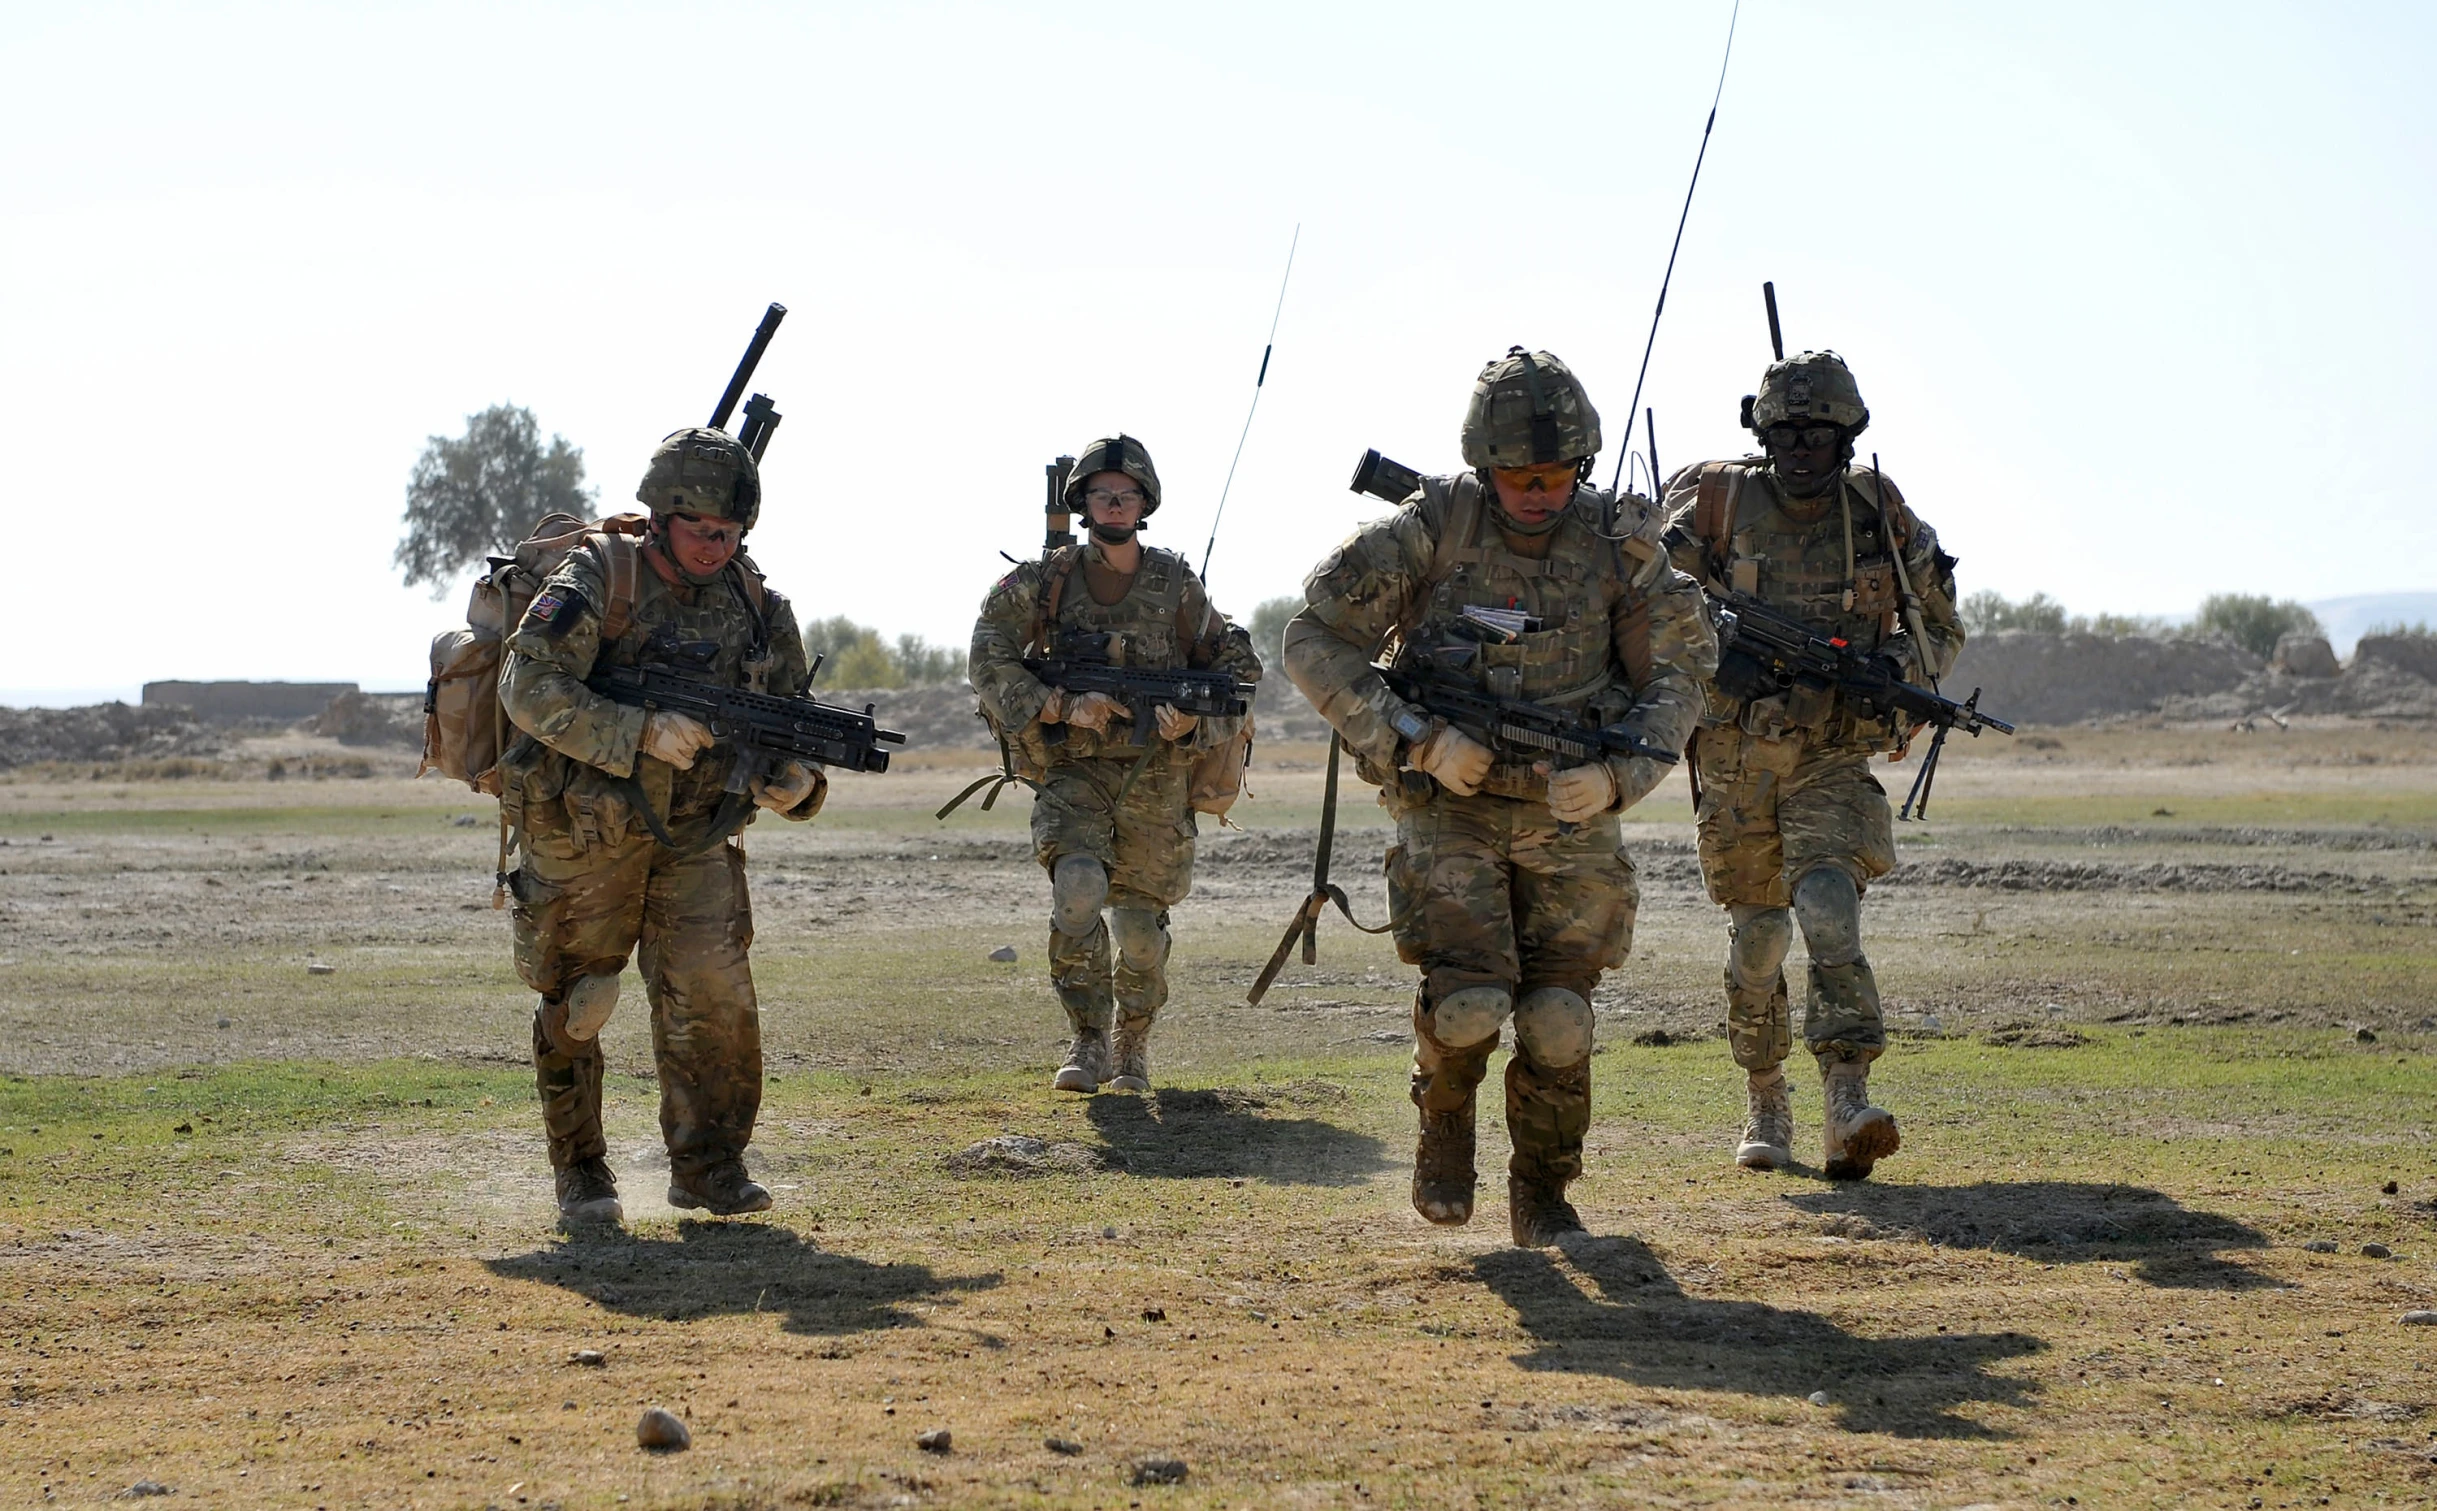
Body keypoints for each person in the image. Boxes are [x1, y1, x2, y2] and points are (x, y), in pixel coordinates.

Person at [1282, 349, 1716, 1247]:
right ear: (1486, 466)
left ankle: (1544, 1191)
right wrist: (1416, 739)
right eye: (1519, 476)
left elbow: (1683, 672)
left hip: (1571, 809)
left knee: (1559, 1018)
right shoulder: (1433, 525)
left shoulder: (1619, 549)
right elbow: (1312, 641)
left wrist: (1622, 775)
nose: (1538, 493)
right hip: (1452, 803)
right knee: (1469, 1000)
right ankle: (1443, 1123)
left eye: (1556, 475)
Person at [497, 426, 826, 1224]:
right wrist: (638, 731)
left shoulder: (755, 604)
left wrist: (796, 780)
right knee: (583, 999)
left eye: (731, 533)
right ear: (660, 515)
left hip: (699, 833)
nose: (717, 547)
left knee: (711, 998)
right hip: (587, 832)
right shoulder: (598, 580)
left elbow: (792, 717)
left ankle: (710, 1167)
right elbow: (526, 685)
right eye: (701, 530)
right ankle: (581, 1171)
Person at [1660, 350, 1964, 1179]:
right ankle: (1765, 1094)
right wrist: (1712, 656)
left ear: (1846, 436)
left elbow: (1941, 624)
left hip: (1830, 749)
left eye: (1819, 433)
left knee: (1827, 905)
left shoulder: (1880, 517)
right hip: (1735, 752)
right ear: (1760, 430)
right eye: (1786, 430)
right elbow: (1639, 600)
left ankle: (1845, 1095)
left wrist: (1899, 669)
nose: (1800, 447)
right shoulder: (1713, 501)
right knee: (1758, 937)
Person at [970, 435, 1263, 1094]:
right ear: (1082, 502)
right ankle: (1088, 1036)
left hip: (1157, 779)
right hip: (1074, 770)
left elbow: (1238, 668)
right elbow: (986, 649)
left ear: (1143, 502)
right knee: (1076, 889)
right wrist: (1056, 703)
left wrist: (1194, 722)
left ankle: (1133, 1038)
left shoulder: (1174, 582)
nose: (1113, 502)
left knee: (1138, 930)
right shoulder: (1044, 580)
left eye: (1125, 493)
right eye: (1101, 492)